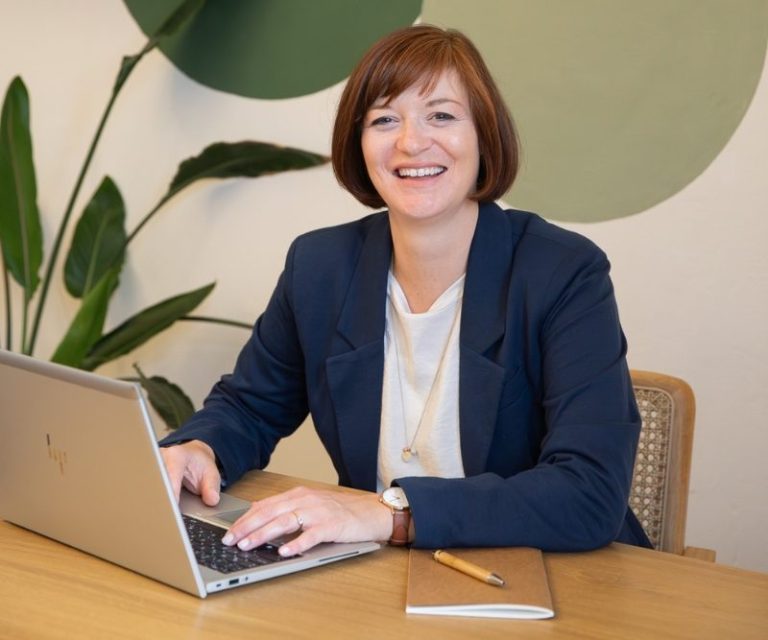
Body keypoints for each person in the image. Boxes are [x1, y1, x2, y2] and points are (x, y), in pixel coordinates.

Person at [160, 24, 651, 557]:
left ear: (483, 134)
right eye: (384, 119)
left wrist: (392, 514)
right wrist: (200, 447)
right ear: (359, 144)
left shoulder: (563, 272)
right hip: (383, 575)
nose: (411, 142)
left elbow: (589, 491)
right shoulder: (320, 267)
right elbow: (249, 406)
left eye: (441, 115)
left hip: (544, 574)